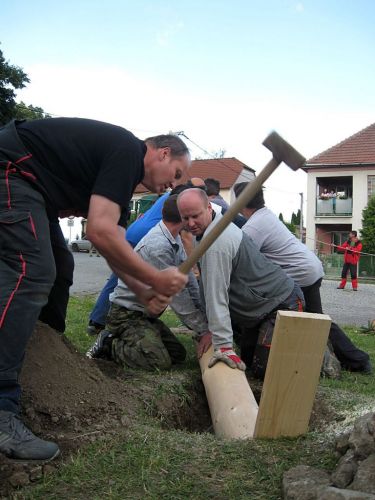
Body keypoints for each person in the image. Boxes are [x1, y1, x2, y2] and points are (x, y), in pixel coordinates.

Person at [0, 117, 190, 461]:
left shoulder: (123, 175)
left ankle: (37, 364)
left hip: (31, 189)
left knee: (59, 270)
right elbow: (100, 231)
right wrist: (155, 278)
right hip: (9, 171)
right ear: (162, 153)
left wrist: (141, 289)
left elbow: (111, 242)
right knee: (32, 271)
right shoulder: (127, 153)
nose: (169, 188)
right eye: (176, 174)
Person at [233, 182, 371, 375]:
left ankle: (249, 360)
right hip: (307, 268)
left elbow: (242, 261)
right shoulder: (264, 217)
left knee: (262, 311)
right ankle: (357, 360)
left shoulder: (255, 226)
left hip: (300, 272)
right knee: (318, 321)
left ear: (240, 203)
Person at [177, 188, 305, 377]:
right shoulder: (207, 230)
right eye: (185, 218)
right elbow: (208, 286)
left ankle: (317, 354)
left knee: (266, 371)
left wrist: (223, 346)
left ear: (209, 207)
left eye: (195, 216)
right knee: (249, 364)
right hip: (257, 312)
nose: (191, 223)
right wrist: (211, 329)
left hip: (283, 303)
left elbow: (216, 295)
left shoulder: (216, 243)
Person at [86, 195, 211, 370]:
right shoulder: (159, 246)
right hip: (126, 316)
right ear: (183, 218)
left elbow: (189, 282)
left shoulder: (173, 237)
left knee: (177, 354)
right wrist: (204, 330)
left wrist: (204, 319)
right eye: (188, 217)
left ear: (162, 212)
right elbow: (179, 300)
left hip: (145, 316)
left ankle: (139, 336)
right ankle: (109, 343)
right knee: (158, 362)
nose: (191, 222)